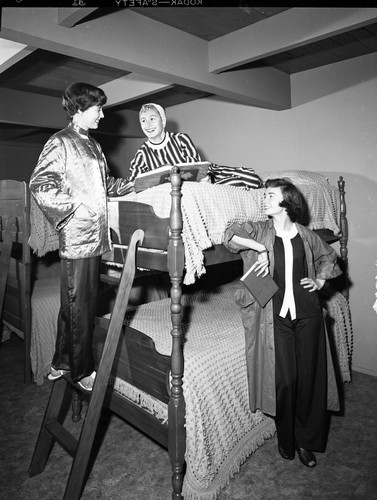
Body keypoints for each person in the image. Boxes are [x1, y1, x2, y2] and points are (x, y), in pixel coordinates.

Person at [223, 178, 342, 468]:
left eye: (270, 195)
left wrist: (319, 280)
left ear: (287, 201)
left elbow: (329, 257)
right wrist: (259, 249)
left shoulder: (306, 235)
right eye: (264, 195)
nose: (264, 199)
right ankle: (285, 437)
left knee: (310, 379)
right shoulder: (261, 230)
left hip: (308, 313)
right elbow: (229, 236)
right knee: (286, 381)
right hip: (275, 317)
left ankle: (306, 441)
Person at [29, 82, 133, 391]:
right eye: (98, 109)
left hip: (96, 238)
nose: (102, 114)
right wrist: (75, 210)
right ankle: (80, 370)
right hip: (77, 237)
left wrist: (129, 185)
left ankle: (61, 363)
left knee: (74, 303)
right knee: (80, 306)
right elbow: (40, 184)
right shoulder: (60, 142)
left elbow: (103, 186)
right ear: (79, 110)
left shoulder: (94, 145)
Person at [127, 103, 201, 181]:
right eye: (143, 120)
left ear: (163, 121)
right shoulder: (142, 153)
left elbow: (195, 169)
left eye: (152, 119)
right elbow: (134, 182)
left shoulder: (181, 139)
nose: (148, 125)